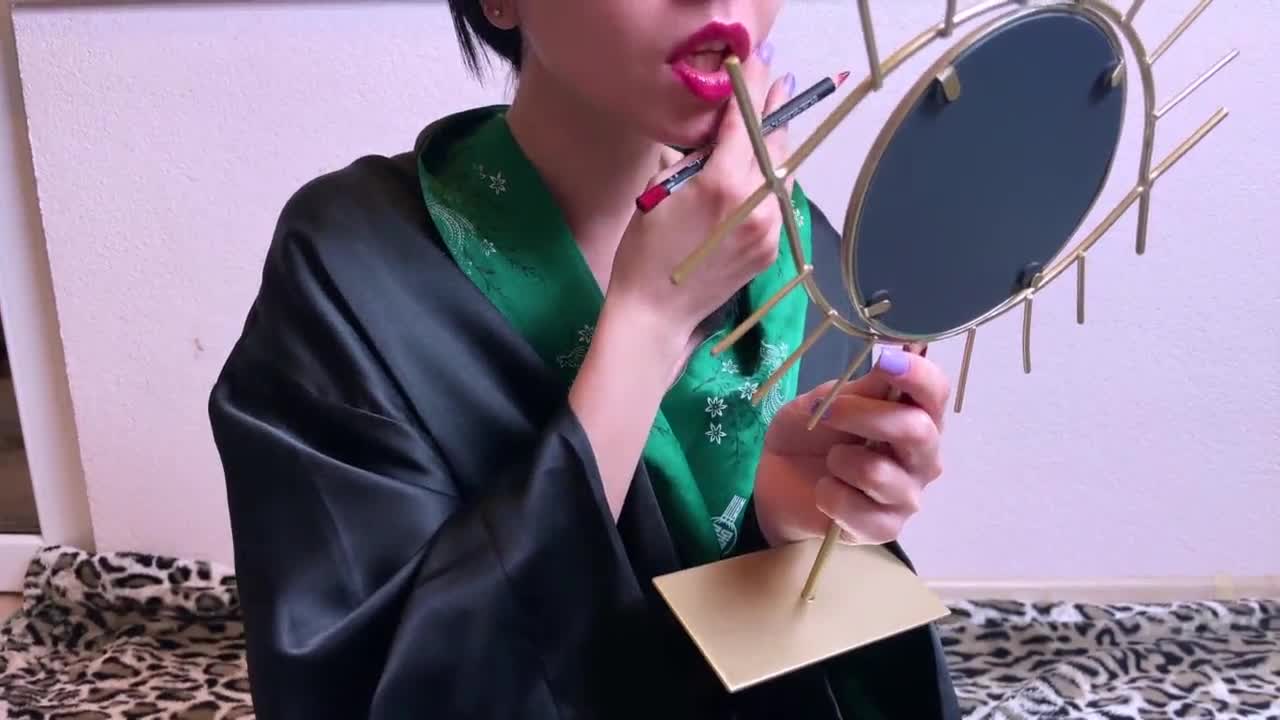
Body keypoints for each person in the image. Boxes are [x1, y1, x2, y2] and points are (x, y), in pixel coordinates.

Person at [207, 0, 960, 717]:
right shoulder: (353, 263)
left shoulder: (796, 249)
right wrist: (647, 326)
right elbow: (367, 691)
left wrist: (791, 531)